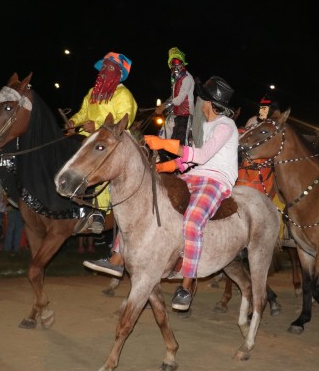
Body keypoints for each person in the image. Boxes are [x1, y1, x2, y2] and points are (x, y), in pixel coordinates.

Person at [144, 76, 240, 311]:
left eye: (201, 97)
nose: (197, 101)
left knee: (192, 222)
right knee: (157, 199)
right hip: (196, 176)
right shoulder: (207, 126)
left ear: (207, 102)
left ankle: (186, 286)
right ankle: (118, 258)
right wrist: (170, 167)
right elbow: (195, 158)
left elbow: (202, 156)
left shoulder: (226, 125)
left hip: (217, 180)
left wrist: (164, 145)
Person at [65, 52, 138, 232]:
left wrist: (97, 126)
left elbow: (123, 122)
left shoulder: (124, 96)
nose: (103, 71)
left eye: (108, 68)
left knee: (101, 160)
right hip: (84, 139)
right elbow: (83, 113)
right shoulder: (93, 92)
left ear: (119, 73)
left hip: (110, 143)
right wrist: (73, 121)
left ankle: (99, 210)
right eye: (103, 67)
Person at [155, 47, 195, 146]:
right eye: (172, 62)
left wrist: (164, 106)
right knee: (161, 138)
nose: (175, 64)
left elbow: (179, 99)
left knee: (180, 145)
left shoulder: (188, 78)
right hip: (175, 114)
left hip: (185, 116)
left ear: (182, 63)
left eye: (177, 61)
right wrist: (164, 105)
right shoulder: (176, 80)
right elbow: (173, 97)